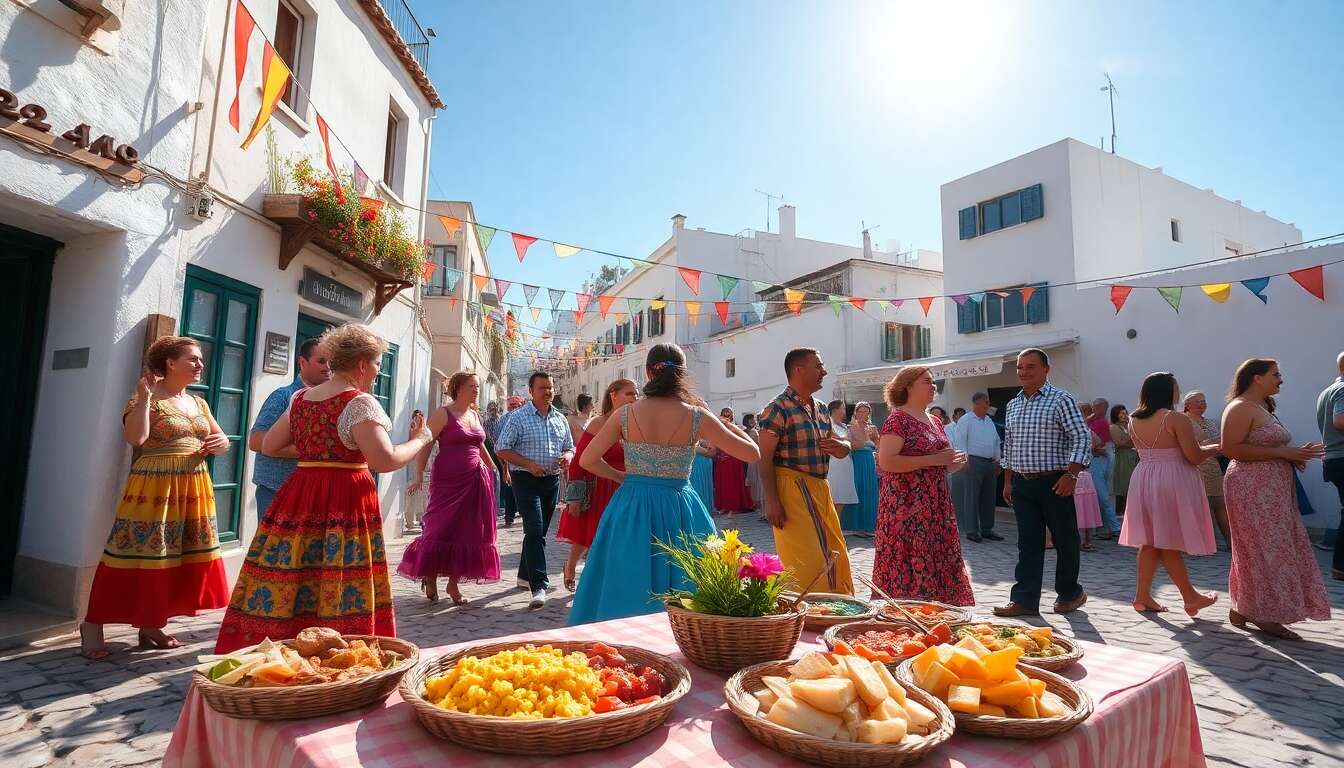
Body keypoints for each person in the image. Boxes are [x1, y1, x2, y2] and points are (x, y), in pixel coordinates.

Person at [215, 324, 432, 652]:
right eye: (376, 363)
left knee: (296, 569)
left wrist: (317, 451)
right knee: (339, 571)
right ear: (361, 363)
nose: (377, 370)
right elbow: (385, 460)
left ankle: (285, 644)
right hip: (344, 498)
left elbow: (270, 445)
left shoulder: (300, 399)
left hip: (300, 494)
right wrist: (420, 440)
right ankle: (341, 650)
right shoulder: (359, 403)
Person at [570, 344, 759, 624]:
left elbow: (587, 460)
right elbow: (752, 453)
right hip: (680, 506)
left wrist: (621, 477)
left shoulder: (625, 414)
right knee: (689, 580)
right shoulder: (697, 416)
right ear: (682, 374)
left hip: (632, 505)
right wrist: (719, 420)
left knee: (624, 577)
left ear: (648, 373)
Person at [80, 337, 231, 659]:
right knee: (133, 553)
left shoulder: (199, 403)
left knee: (174, 557)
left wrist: (220, 445)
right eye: (192, 359)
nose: (200, 365)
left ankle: (151, 624)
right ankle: (92, 624)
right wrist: (145, 398)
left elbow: (221, 439)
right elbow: (136, 438)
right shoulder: (144, 398)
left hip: (193, 485)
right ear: (169, 363)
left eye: (200, 359)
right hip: (154, 487)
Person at [1221, 359, 1330, 639]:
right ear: (1256, 378)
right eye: (1276, 374)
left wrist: (1293, 456)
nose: (1280, 379)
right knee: (1263, 548)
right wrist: (1284, 453)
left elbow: (1266, 446)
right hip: (1251, 487)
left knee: (1271, 547)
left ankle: (1245, 606)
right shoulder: (1240, 407)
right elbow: (1231, 448)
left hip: (1272, 490)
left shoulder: (1262, 407)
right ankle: (1262, 613)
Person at [995, 348, 1091, 618]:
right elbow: (1010, 446)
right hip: (1023, 485)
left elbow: (1081, 437)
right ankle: (1025, 599)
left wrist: (1071, 475)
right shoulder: (1013, 404)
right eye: (1020, 367)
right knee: (1028, 543)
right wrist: (1008, 481)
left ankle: (1070, 593)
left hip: (1055, 482)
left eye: (1031, 366)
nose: (1024, 371)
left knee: (1065, 540)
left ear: (1046, 369)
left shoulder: (1061, 399)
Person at [1120, 373, 1221, 616]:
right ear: (1168, 391)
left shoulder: (1133, 419)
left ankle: (1142, 596)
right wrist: (1217, 447)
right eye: (1176, 388)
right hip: (1171, 479)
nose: (1179, 392)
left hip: (1144, 476)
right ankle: (1190, 596)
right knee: (1167, 540)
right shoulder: (1176, 418)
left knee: (1150, 540)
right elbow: (1194, 456)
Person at [397, 371, 500, 605]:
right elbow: (425, 442)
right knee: (439, 528)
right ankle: (430, 573)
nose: (476, 390)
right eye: (472, 386)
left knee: (469, 531)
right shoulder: (443, 414)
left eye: (477, 387)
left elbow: (480, 445)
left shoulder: (475, 415)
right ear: (458, 387)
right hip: (448, 480)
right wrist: (418, 475)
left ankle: (454, 584)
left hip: (476, 480)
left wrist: (495, 468)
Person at [873, 367, 975, 605]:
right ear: (908, 386)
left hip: (935, 503)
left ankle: (938, 611)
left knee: (936, 554)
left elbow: (937, 462)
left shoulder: (935, 420)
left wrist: (950, 465)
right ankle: (907, 614)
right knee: (908, 558)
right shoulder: (897, 420)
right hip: (905, 506)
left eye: (933, 382)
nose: (933, 386)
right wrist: (933, 460)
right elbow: (886, 461)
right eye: (927, 382)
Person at [758, 348, 855, 596]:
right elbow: (764, 458)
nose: (824, 371)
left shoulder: (821, 408)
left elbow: (839, 448)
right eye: (818, 366)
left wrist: (842, 447)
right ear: (798, 370)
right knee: (807, 560)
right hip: (791, 488)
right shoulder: (777, 408)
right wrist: (771, 501)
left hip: (820, 488)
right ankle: (805, 617)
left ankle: (833, 612)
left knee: (835, 553)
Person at [495, 372, 576, 610]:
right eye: (542, 388)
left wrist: (567, 456)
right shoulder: (519, 417)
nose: (548, 392)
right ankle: (538, 585)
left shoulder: (560, 418)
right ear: (531, 391)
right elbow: (501, 448)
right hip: (525, 479)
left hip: (551, 481)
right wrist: (528, 463)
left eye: (550, 387)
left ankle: (523, 575)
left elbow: (570, 446)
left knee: (537, 533)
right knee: (534, 530)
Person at [557, 379, 636, 592]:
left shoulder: (635, 423)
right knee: (588, 534)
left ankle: (605, 581)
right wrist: (574, 496)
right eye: (629, 393)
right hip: (599, 486)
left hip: (625, 488)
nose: (634, 398)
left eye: (636, 394)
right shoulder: (598, 423)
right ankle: (571, 565)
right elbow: (580, 460)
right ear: (613, 394)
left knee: (617, 536)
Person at [249, 339, 331, 522]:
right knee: (274, 550)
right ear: (303, 363)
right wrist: (310, 451)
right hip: (277, 491)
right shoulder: (283, 396)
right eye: (321, 361)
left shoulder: (333, 401)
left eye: (331, 362)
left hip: (314, 495)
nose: (328, 367)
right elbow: (255, 441)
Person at [948, 392, 1003, 543]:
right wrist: (964, 459)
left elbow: (996, 441)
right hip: (973, 461)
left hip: (989, 463)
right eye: (986, 402)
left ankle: (987, 529)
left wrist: (998, 461)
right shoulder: (966, 420)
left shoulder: (989, 421)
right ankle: (972, 530)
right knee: (971, 497)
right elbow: (959, 440)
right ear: (977, 403)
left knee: (989, 497)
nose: (988, 405)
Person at [1183, 391, 1233, 550]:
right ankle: (1206, 543)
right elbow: (1195, 445)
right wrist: (1214, 443)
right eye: (1197, 401)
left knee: (1220, 503)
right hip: (1195, 466)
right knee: (1204, 506)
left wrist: (1212, 444)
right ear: (1187, 405)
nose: (1201, 404)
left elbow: (1220, 444)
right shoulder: (1185, 422)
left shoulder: (1211, 422)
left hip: (1214, 466)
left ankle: (1231, 543)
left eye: (1203, 401)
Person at [1318, 352, 1344, 581]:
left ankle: (1340, 567)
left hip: (1334, 458)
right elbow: (1340, 420)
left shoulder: (1328, 390)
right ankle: (1340, 567)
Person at [1086, 398, 1122, 540]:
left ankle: (1114, 527)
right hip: (1097, 461)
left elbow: (1099, 446)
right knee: (1100, 495)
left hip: (1098, 462)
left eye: (1095, 407)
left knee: (1102, 495)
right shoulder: (1095, 421)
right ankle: (1103, 527)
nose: (1092, 409)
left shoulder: (1100, 423)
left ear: (1102, 408)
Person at [843, 402, 881, 536]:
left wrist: (874, 439)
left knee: (870, 491)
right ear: (855, 413)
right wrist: (863, 441)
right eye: (860, 411)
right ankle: (855, 526)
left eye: (866, 412)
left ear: (869, 413)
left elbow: (879, 446)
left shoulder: (873, 428)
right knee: (857, 489)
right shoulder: (849, 427)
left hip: (870, 462)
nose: (863, 414)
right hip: (856, 461)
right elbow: (848, 445)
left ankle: (869, 526)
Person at [713, 407, 756, 516]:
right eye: (724, 414)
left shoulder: (737, 428)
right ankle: (724, 506)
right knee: (723, 483)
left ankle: (734, 507)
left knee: (733, 483)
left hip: (733, 458)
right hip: (721, 458)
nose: (726, 415)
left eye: (728, 414)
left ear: (732, 415)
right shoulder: (718, 427)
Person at [825, 400, 861, 530]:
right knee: (835, 496)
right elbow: (837, 440)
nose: (844, 410)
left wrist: (849, 441)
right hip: (835, 462)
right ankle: (830, 529)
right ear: (835, 410)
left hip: (846, 463)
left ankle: (836, 528)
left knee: (842, 498)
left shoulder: (845, 426)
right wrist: (848, 441)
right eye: (842, 408)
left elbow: (856, 443)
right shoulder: (829, 424)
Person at [495, 396, 525, 527]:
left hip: (509, 457)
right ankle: (518, 514)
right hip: (518, 458)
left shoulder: (503, 419)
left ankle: (509, 516)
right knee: (519, 487)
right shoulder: (522, 417)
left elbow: (497, 441)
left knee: (509, 487)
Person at [1109, 405, 1138, 517]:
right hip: (1123, 458)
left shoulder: (1129, 426)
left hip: (1133, 457)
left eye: (1125, 413)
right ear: (1115, 415)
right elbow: (1120, 443)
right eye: (1121, 413)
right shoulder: (1113, 427)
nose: (1124, 415)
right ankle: (1121, 511)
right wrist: (1132, 439)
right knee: (1124, 482)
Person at [742, 413, 764, 514]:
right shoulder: (754, 432)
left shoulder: (751, 432)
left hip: (752, 459)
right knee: (756, 482)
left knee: (755, 482)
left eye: (754, 419)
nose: (753, 421)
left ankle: (757, 504)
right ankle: (758, 504)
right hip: (754, 459)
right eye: (751, 420)